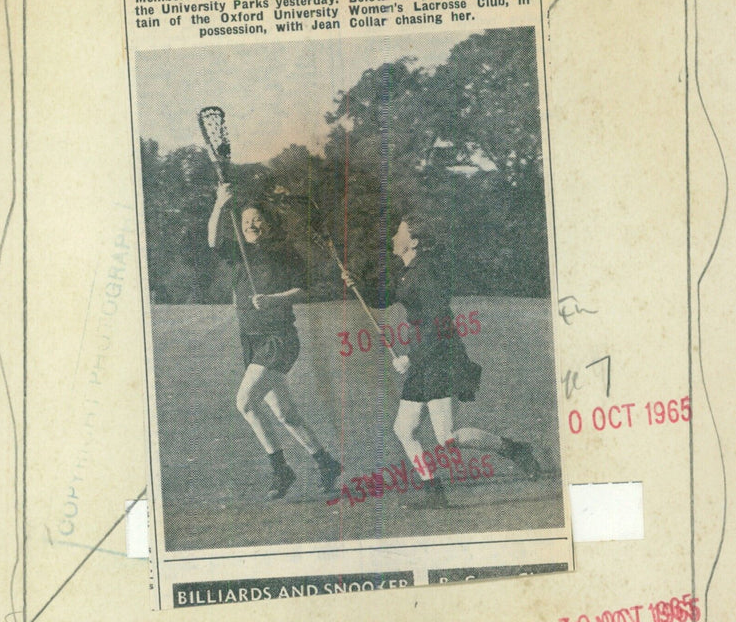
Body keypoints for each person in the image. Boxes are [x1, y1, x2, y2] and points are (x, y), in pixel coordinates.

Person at [345, 214, 540, 509]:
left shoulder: (426, 273)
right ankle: (434, 493)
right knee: (404, 430)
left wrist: (412, 357)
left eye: (399, 233)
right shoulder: (409, 271)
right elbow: (388, 297)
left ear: (414, 241)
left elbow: (439, 326)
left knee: (447, 437)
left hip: (439, 357)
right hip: (423, 358)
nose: (393, 238)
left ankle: (515, 450)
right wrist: (356, 285)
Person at [209, 183, 341, 500]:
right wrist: (219, 204)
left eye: (256, 220)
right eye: (245, 222)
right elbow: (213, 241)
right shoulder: (239, 252)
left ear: (267, 222)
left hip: (278, 339)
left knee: (245, 402)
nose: (251, 225)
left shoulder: (284, 253)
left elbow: (303, 290)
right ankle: (326, 463)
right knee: (286, 414)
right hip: (251, 341)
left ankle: (280, 469)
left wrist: (273, 300)